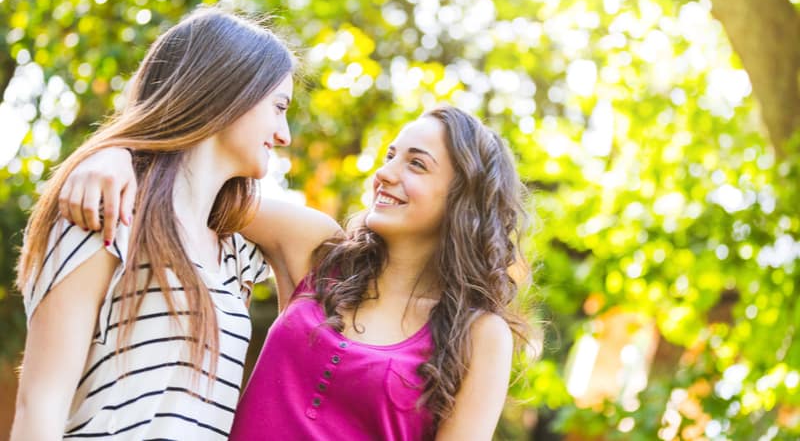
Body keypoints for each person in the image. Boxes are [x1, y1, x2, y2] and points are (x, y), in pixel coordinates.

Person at [57, 105, 531, 439]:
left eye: (416, 164)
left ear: (462, 201)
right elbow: (190, 188)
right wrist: (115, 152)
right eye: (390, 155)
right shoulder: (319, 252)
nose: (385, 174)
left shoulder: (480, 335)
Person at [9, 7, 339, 440]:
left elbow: (326, 239)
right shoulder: (107, 211)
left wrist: (116, 152)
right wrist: (116, 154)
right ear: (230, 90)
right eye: (278, 107)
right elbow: (41, 402)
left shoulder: (234, 253)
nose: (284, 135)